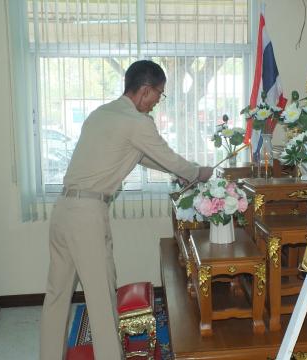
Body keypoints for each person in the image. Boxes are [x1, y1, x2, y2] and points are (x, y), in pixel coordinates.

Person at [40, 60, 213, 360]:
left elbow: (146, 158)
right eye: (160, 94)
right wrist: (197, 172)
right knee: (102, 299)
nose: (159, 101)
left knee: (56, 296)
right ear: (145, 90)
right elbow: (166, 155)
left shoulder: (101, 115)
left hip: (63, 210)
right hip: (86, 216)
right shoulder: (137, 122)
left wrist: (180, 173)